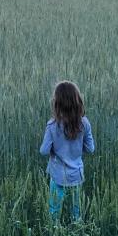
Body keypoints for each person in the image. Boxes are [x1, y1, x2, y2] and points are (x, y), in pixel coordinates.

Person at [40, 81, 95, 221]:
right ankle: (77, 235)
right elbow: (90, 148)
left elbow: (44, 151)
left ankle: (55, 234)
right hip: (76, 174)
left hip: (57, 175)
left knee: (54, 210)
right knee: (76, 210)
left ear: (57, 103)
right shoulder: (84, 123)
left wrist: (55, 149)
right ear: (77, 101)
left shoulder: (52, 125)